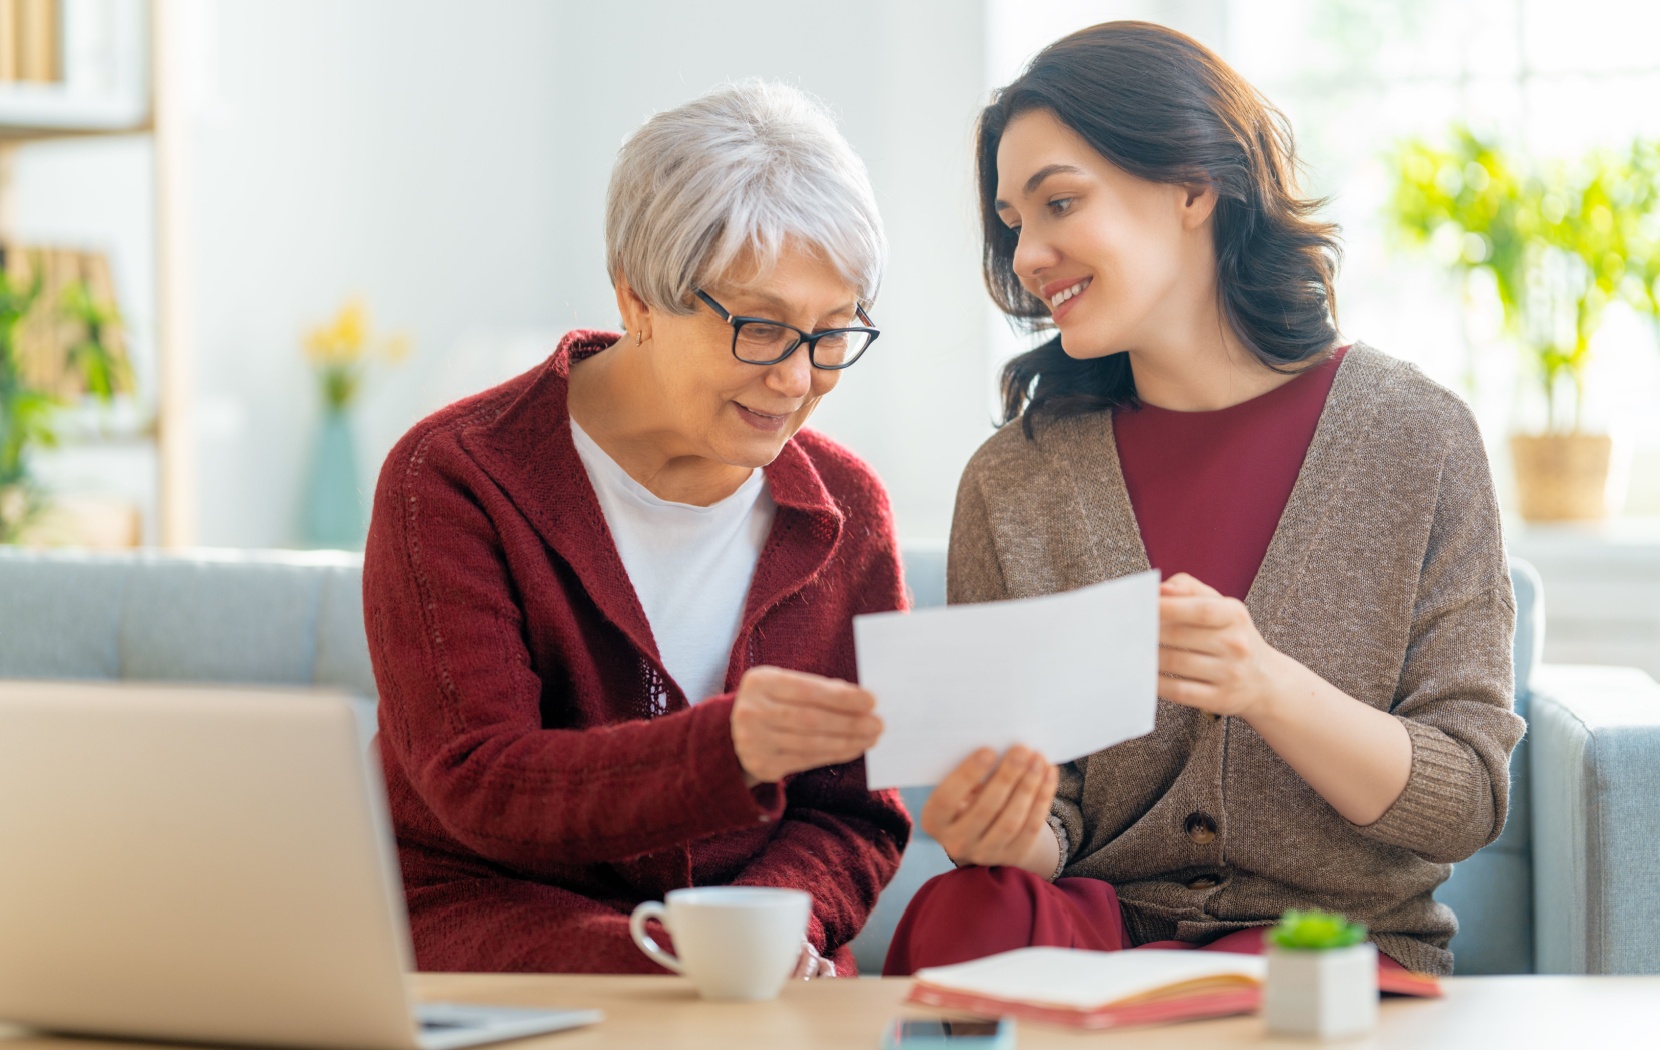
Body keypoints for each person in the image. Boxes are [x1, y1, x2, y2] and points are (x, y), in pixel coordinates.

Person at [883, 21, 1523, 979]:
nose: (1026, 256)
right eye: (1014, 223)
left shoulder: (1417, 438)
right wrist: (1004, 831)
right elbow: (1050, 816)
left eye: (1059, 202)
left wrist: (1263, 683)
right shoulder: (1015, 482)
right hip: (1092, 933)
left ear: (1192, 184)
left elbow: (1465, 800)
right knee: (962, 910)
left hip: (1323, 945)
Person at [363, 79, 910, 977]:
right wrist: (725, 749)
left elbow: (852, 814)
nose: (797, 379)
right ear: (637, 299)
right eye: (763, 329)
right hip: (501, 927)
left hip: (757, 964)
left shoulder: (846, 510)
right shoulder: (453, 477)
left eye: (833, 332)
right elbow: (477, 777)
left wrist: (776, 927)